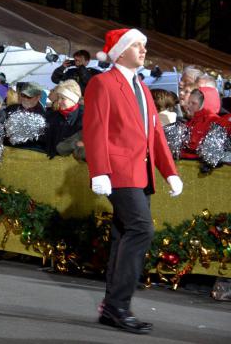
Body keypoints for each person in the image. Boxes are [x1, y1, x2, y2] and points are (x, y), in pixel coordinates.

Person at [83, 28, 183, 334]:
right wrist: (99, 170)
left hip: (141, 173)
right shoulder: (103, 83)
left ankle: (111, 307)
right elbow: (95, 129)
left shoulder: (140, 87)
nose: (143, 50)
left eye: (144, 45)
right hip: (119, 172)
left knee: (124, 234)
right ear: (121, 51)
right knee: (142, 228)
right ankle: (118, 305)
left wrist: (170, 172)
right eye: (137, 45)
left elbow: (155, 135)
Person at [44, 80, 83, 158]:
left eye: (63, 98)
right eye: (58, 98)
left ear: (73, 99)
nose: (59, 101)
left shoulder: (85, 117)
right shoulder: (52, 116)